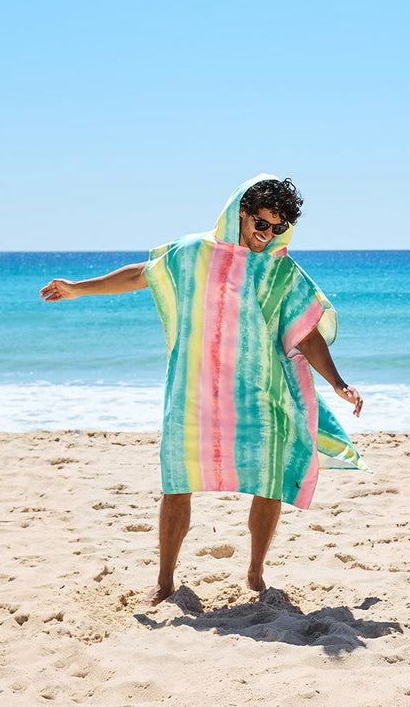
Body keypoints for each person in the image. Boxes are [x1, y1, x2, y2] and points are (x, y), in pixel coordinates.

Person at [40, 175, 365, 607]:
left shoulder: (280, 270)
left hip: (260, 391)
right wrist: (78, 289)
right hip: (194, 390)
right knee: (177, 480)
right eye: (262, 225)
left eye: (277, 228)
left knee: (269, 481)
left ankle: (254, 572)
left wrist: (338, 383)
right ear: (241, 213)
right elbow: (143, 274)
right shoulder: (193, 252)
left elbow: (306, 332)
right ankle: (165, 579)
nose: (267, 236)